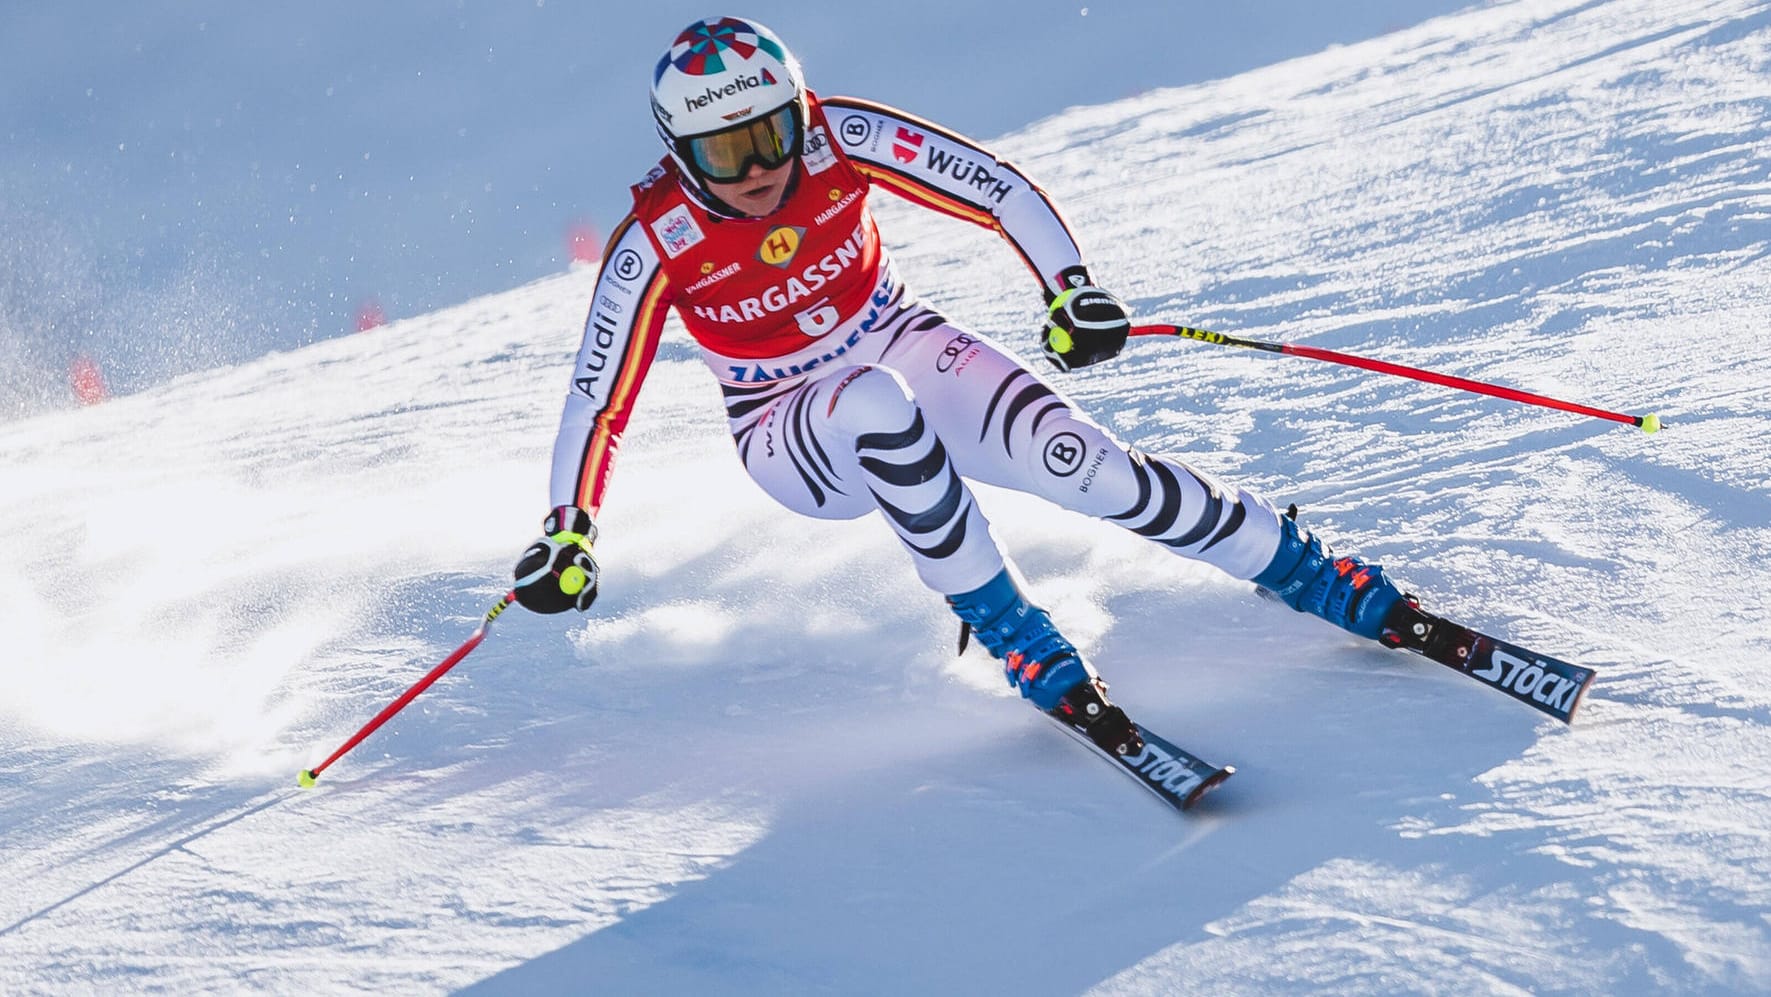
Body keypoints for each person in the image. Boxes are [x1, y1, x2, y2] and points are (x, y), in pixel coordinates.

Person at [512, 16, 1406, 756]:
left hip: (899, 338)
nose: (755, 171)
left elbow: (994, 187)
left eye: (769, 136)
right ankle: (1012, 630)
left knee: (1087, 467)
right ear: (679, 152)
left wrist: (1071, 289)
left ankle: (1298, 567)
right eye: (723, 153)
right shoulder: (656, 239)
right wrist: (569, 532)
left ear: (798, 111)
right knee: (868, 400)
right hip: (786, 425)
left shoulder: (841, 138)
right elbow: (598, 398)